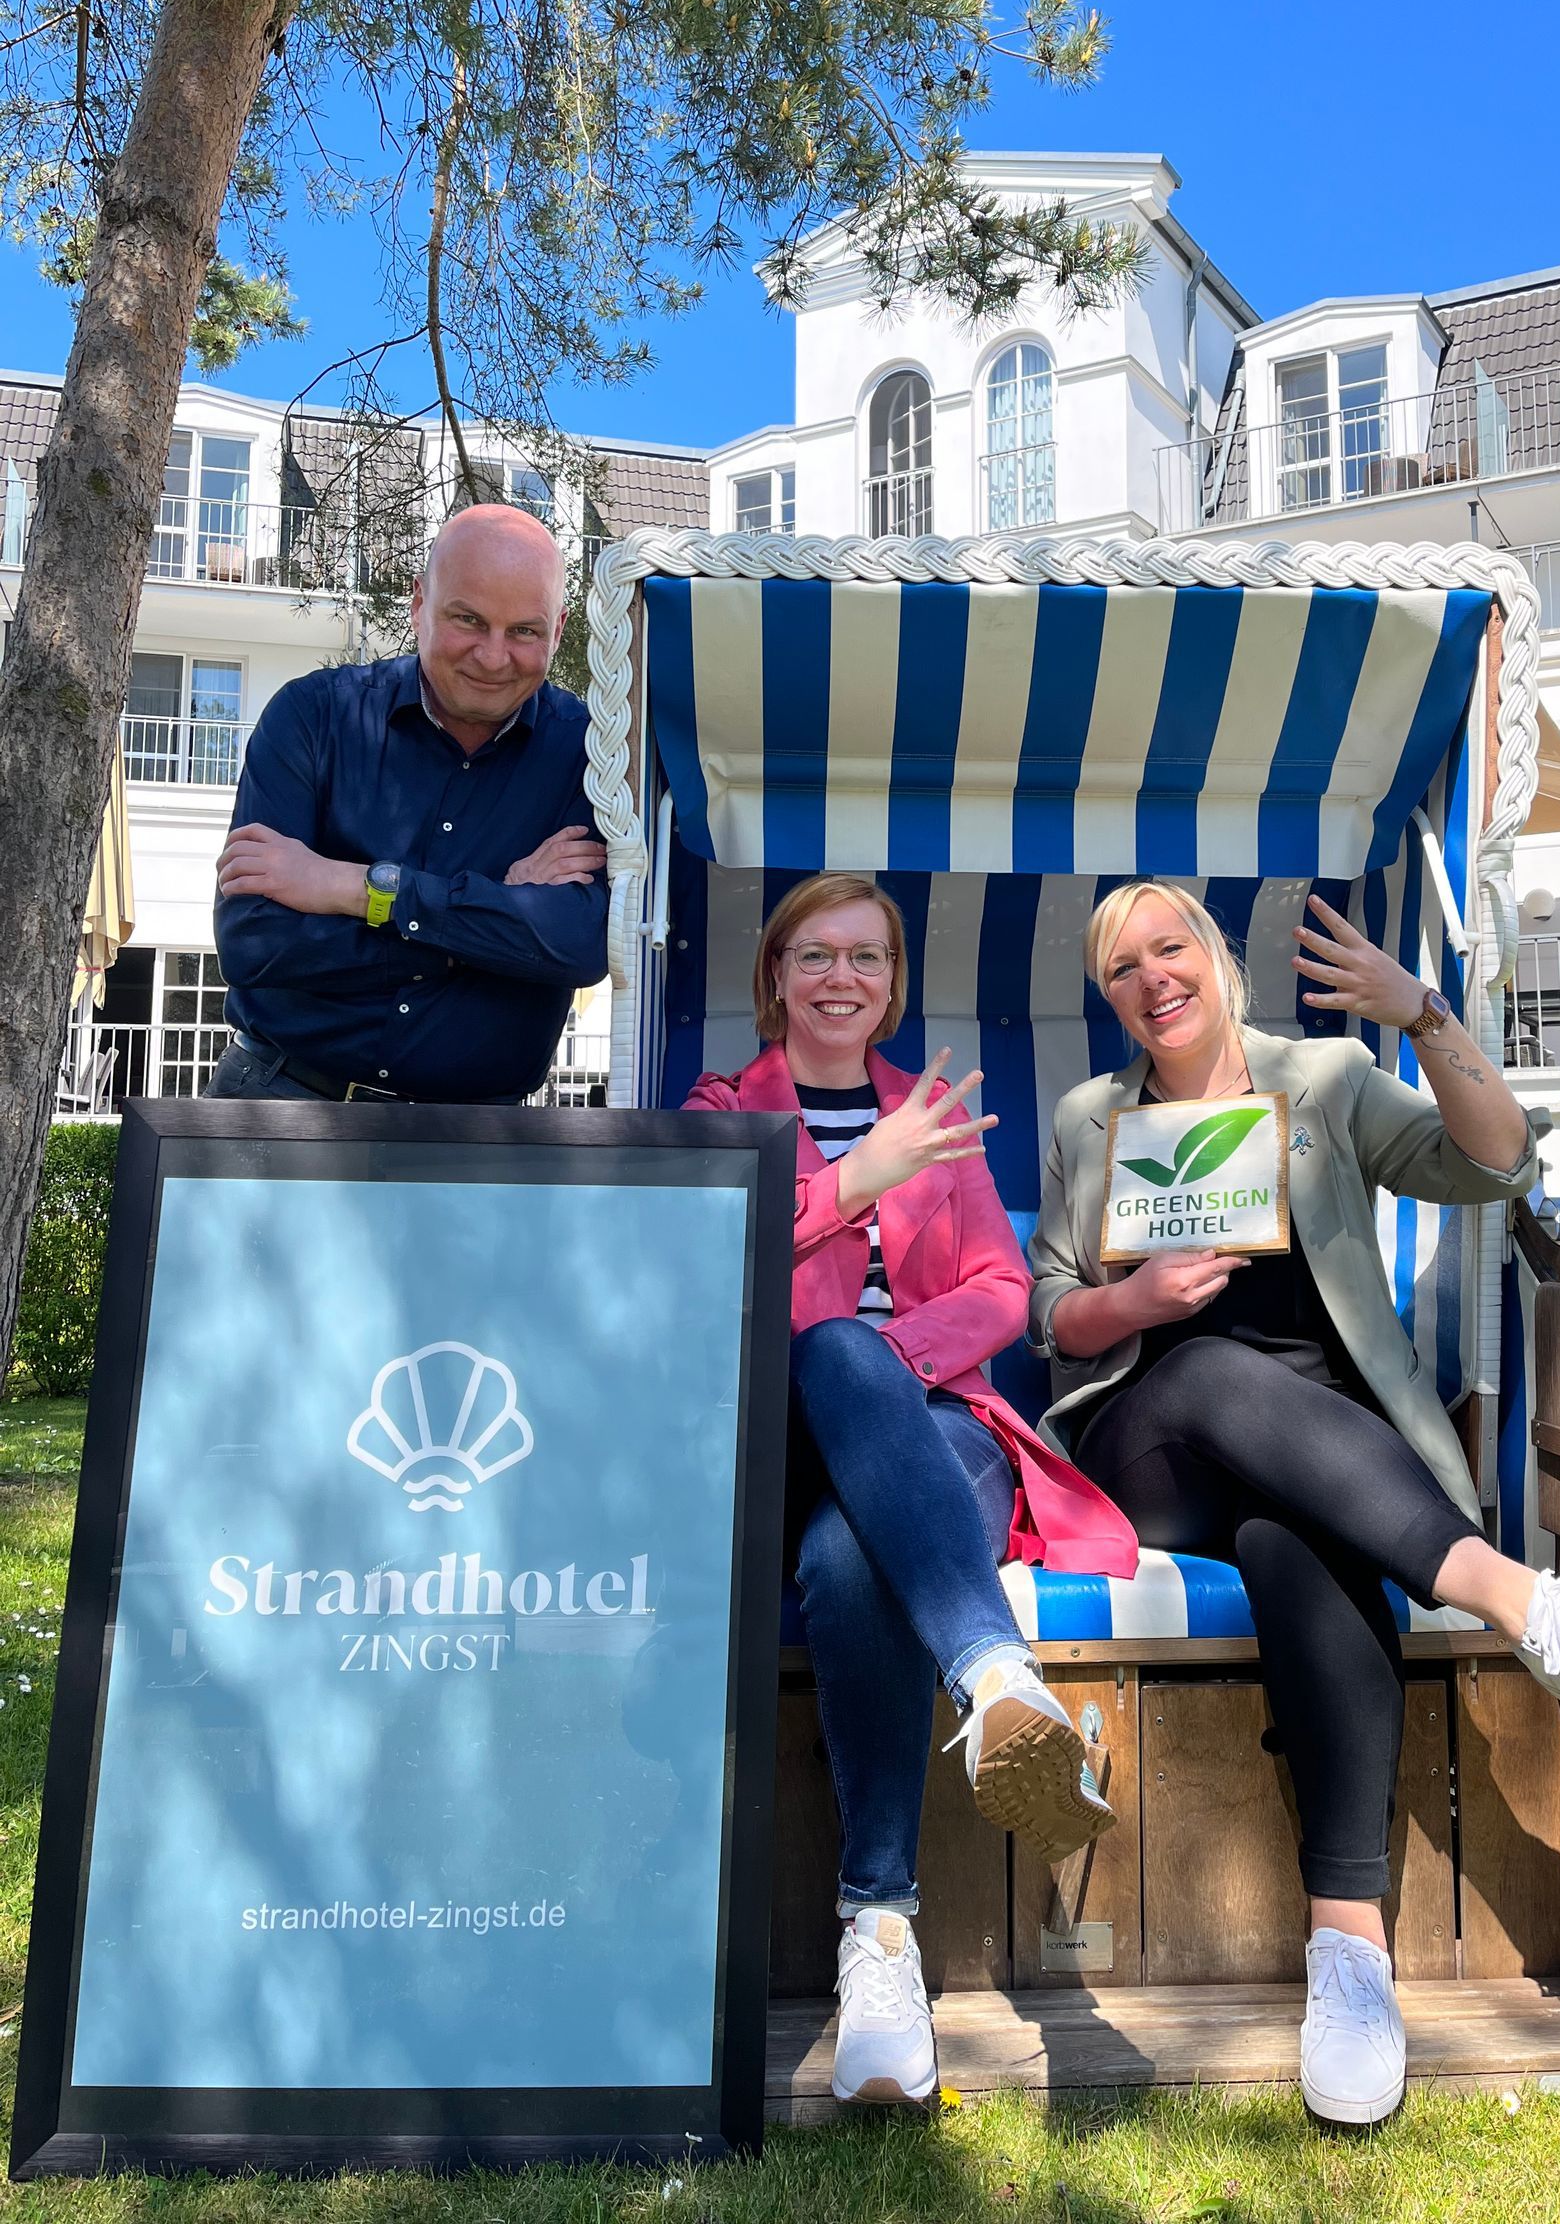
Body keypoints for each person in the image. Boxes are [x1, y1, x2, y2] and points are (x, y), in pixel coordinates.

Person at [1030, 880, 1560, 2130]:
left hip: (1328, 1448)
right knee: (1214, 1368)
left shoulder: (1329, 1078)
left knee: (1297, 1531)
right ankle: (1530, 1607)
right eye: (1122, 967)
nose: (1152, 978)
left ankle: (1349, 1954)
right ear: (1109, 996)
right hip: (1152, 1438)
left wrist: (1424, 1014)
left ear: (1215, 957)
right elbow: (1050, 1313)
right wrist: (1135, 1302)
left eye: (1170, 947)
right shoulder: (1089, 1117)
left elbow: (1496, 1164)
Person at [685, 874, 1136, 2110]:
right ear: (777, 975)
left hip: (944, 1429)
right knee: (831, 1354)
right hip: (786, 1435)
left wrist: (889, 1364)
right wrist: (852, 1183)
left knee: (849, 1556)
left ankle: (879, 1938)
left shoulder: (929, 1113)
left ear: (891, 984)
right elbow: (702, 1267)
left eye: (868, 957)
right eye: (816, 954)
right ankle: (993, 1675)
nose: (842, 976)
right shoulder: (721, 1107)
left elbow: (1001, 1289)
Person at [207, 503, 608, 1104]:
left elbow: (582, 944)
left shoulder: (591, 754)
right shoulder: (313, 717)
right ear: (419, 603)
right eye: (468, 620)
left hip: (476, 1135)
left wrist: (356, 887)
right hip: (279, 1097)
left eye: (524, 631)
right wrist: (490, 913)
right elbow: (254, 944)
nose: (493, 656)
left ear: (557, 630)